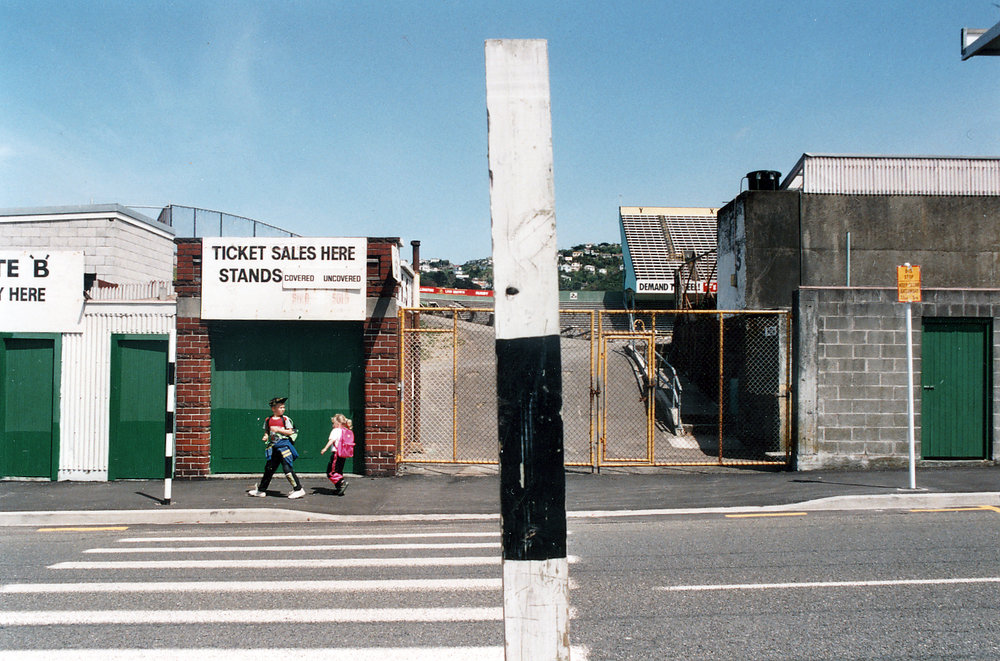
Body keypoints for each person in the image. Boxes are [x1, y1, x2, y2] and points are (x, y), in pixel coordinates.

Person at [248, 396, 306, 499]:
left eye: (283, 407)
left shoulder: (285, 419)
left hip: (284, 447)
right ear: (273, 409)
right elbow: (267, 431)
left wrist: (278, 430)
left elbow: (290, 431)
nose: (283, 409)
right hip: (274, 448)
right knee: (269, 469)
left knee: (287, 468)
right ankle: (261, 490)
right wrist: (266, 436)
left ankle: (298, 489)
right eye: (280, 407)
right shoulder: (268, 419)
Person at [320, 413, 352, 496]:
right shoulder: (345, 430)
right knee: (339, 471)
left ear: (338, 423)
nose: (332, 425)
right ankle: (339, 489)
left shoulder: (335, 430)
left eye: (333, 423)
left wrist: (325, 448)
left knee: (331, 472)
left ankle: (342, 483)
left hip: (336, 454)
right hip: (343, 454)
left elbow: (331, 440)